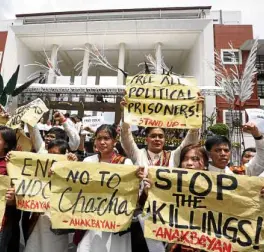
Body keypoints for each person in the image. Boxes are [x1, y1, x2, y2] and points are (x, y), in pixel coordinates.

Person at [77, 124, 134, 252]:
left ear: (114, 141)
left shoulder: (125, 163)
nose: (102, 142)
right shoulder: (88, 162)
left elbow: (130, 191)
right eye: (98, 138)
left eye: (106, 138)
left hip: (115, 217)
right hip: (92, 216)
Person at [23, 139, 77, 252]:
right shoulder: (42, 168)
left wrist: (72, 164)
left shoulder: (70, 170)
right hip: (39, 219)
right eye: (50, 154)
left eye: (56, 155)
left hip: (57, 223)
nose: (52, 158)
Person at [0, 126, 18, 252]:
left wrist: (13, 199)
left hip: (2, 220)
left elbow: (20, 196)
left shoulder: (12, 165)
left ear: (6, 144)